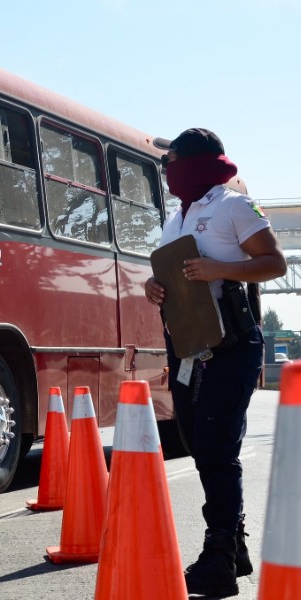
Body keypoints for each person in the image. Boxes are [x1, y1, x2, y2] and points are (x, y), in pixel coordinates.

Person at [145, 128, 286, 597]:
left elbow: (275, 263)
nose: (167, 169)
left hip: (232, 345)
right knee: (197, 442)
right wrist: (154, 290)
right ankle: (234, 544)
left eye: (173, 160)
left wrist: (220, 269)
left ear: (199, 162)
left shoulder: (234, 206)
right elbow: (169, 276)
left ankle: (220, 554)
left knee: (216, 446)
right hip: (188, 347)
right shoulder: (175, 218)